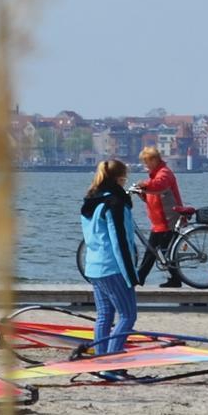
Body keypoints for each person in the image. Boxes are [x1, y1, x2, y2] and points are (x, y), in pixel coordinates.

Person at [79, 159, 144, 381]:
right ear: (120, 178)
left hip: (94, 267)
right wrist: (131, 274)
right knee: (128, 315)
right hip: (112, 267)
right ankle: (112, 364)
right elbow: (120, 241)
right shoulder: (115, 203)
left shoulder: (91, 200)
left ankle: (101, 362)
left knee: (104, 316)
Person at [130, 146, 187, 287]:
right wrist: (141, 193)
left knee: (161, 251)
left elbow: (158, 186)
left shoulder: (164, 174)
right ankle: (144, 277)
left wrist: (143, 184)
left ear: (154, 160)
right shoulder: (154, 175)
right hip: (159, 221)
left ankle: (141, 277)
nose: (145, 165)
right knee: (155, 251)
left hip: (168, 219)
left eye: (146, 161)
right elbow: (153, 196)